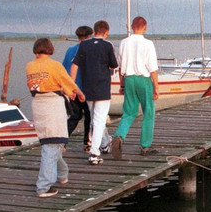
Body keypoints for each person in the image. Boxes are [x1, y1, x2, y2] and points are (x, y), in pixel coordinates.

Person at [26, 38, 85, 198]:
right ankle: (43, 186)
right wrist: (80, 94)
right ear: (50, 49)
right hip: (53, 105)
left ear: (36, 50)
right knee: (53, 144)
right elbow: (68, 83)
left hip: (37, 104)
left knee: (52, 142)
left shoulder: (30, 66)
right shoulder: (55, 65)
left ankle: (62, 175)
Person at [111, 16, 160, 158]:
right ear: (145, 27)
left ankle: (119, 136)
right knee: (148, 112)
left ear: (132, 26)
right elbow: (153, 69)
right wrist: (156, 87)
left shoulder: (124, 43)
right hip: (143, 79)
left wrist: (122, 85)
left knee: (129, 112)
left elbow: (120, 67)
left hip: (129, 79)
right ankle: (145, 146)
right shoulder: (148, 44)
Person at [70, 20, 118, 165]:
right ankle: (94, 152)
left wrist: (72, 87)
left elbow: (74, 65)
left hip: (88, 88)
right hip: (102, 88)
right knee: (99, 120)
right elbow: (114, 65)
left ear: (95, 30)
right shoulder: (108, 45)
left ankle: (102, 145)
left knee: (94, 119)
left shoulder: (84, 45)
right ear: (106, 32)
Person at [62, 25, 93, 151]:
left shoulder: (70, 50)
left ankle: (63, 141)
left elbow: (64, 70)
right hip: (87, 89)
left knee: (74, 117)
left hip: (73, 89)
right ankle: (87, 142)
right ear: (89, 36)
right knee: (89, 117)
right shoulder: (90, 50)